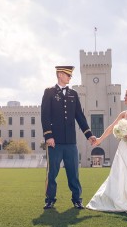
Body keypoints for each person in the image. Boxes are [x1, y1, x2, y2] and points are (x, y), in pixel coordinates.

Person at [41, 65, 97, 210]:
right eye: (68, 75)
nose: (70, 77)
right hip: (55, 142)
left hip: (71, 142)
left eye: (71, 75)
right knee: (52, 172)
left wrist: (89, 135)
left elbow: (79, 116)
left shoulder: (73, 94)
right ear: (60, 74)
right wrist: (48, 135)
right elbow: (45, 115)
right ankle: (50, 199)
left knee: (74, 172)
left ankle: (77, 199)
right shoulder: (49, 92)